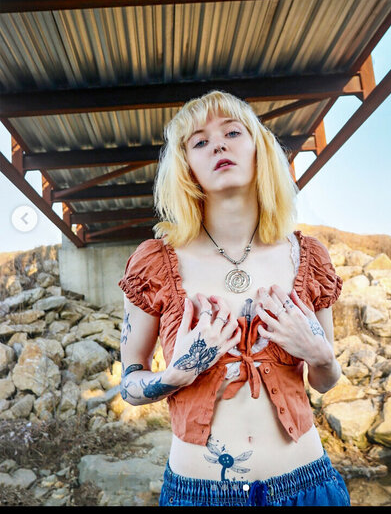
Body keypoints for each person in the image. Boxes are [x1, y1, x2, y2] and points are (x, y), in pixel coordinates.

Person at [118, 90, 350, 507]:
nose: (218, 146)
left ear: (259, 148)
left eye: (232, 132)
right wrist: (175, 375)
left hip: (308, 487)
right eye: (200, 142)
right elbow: (130, 383)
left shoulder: (308, 256)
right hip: (198, 495)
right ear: (187, 167)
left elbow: (324, 381)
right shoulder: (153, 263)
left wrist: (321, 356)